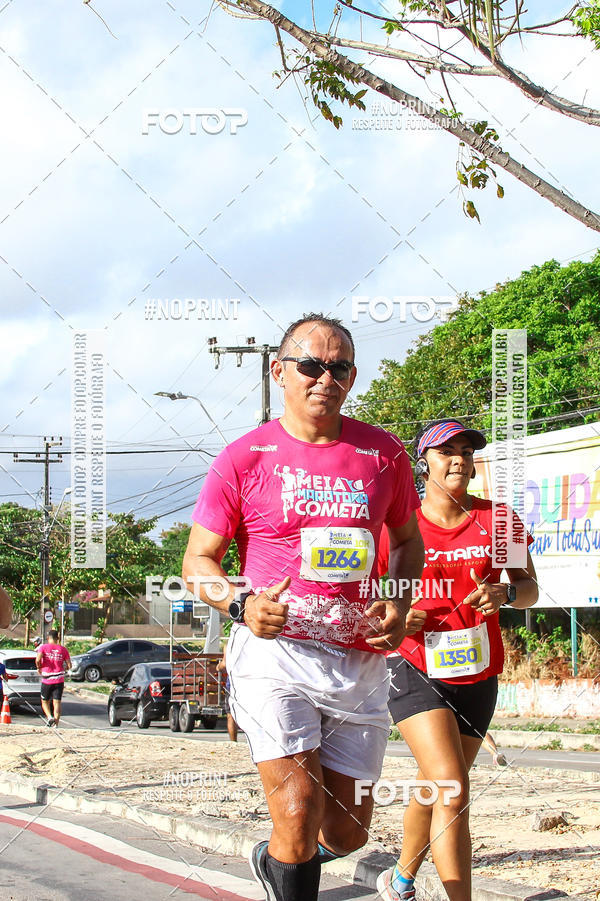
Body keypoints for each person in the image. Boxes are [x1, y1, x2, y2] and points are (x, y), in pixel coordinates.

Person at [183, 313, 424, 901]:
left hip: (358, 660)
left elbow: (407, 541)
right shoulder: (244, 457)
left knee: (346, 832)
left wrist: (396, 599)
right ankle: (288, 857)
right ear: (280, 371)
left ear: (352, 377)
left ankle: (274, 861)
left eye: (339, 368)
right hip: (275, 655)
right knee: (297, 809)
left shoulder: (383, 454)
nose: (325, 379)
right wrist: (240, 604)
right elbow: (197, 564)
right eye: (311, 365)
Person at [376, 419, 538, 901]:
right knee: (453, 786)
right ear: (423, 462)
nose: (459, 460)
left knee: (437, 784)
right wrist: (399, 617)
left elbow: (530, 588)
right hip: (413, 666)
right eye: (446, 451)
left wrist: (507, 593)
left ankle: (400, 880)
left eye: (466, 451)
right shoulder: (397, 525)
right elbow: (366, 601)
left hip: (477, 671)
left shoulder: (500, 520)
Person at [36, 629, 71, 727]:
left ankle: (49, 717)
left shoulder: (43, 647)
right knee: (57, 702)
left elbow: (38, 660)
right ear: (58, 638)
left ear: (48, 638)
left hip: (47, 679)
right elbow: (69, 665)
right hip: (59, 680)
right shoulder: (63, 649)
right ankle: (56, 724)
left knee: (44, 701)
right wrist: (64, 668)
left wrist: (39, 668)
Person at [216, 643, 238, 742]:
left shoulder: (230, 644)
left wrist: (218, 666)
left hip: (234, 684)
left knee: (231, 715)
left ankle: (233, 741)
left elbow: (224, 664)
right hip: (252, 683)